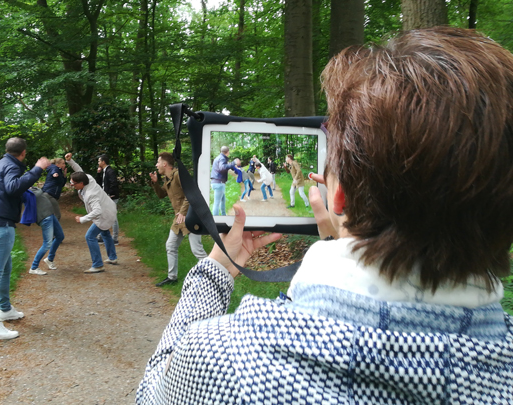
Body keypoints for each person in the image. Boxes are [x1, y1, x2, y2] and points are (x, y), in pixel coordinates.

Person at [137, 27, 513, 404]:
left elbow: (151, 394)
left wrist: (213, 273)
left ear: (340, 194)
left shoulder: (224, 359)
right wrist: (340, 243)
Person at [0, 137, 49, 340]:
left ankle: (6, 309)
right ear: (23, 153)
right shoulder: (11, 166)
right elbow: (12, 187)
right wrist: (37, 169)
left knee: (5, 269)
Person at [149, 152, 208, 287]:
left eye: (158, 162)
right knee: (170, 246)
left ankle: (213, 275)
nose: (156, 165)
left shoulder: (179, 175)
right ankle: (172, 277)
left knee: (197, 250)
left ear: (165, 164)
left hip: (191, 217)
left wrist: (183, 212)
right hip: (179, 220)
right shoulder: (167, 179)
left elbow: (191, 193)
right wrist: (155, 183)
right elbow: (161, 195)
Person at [67, 154, 118, 273]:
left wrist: (83, 219)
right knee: (105, 233)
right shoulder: (87, 178)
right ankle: (113, 257)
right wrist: (70, 161)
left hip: (104, 214)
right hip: (108, 208)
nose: (72, 185)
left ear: (81, 183)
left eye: (73, 183)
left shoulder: (91, 194)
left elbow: (97, 211)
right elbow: (79, 171)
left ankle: (98, 265)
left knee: (90, 236)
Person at [21, 188, 64, 275]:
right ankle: (34, 267)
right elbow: (38, 192)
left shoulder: (30, 189)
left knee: (60, 236)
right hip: (44, 217)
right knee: (47, 243)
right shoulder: (25, 192)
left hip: (50, 214)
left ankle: (49, 259)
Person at [96, 154, 120, 245]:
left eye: (99, 161)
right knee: (102, 215)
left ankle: (115, 238)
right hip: (105, 197)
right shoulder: (104, 171)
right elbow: (99, 183)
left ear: (103, 162)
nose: (98, 163)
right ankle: (101, 236)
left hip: (111, 197)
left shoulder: (110, 171)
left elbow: (114, 183)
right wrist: (98, 173)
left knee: (113, 217)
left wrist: (110, 194)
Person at [210, 146, 237, 216]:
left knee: (223, 200)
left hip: (215, 182)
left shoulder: (218, 157)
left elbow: (223, 166)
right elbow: (222, 168)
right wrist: (233, 163)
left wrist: (230, 165)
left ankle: (223, 215)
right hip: (219, 183)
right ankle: (215, 219)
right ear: (227, 152)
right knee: (217, 203)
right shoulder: (222, 158)